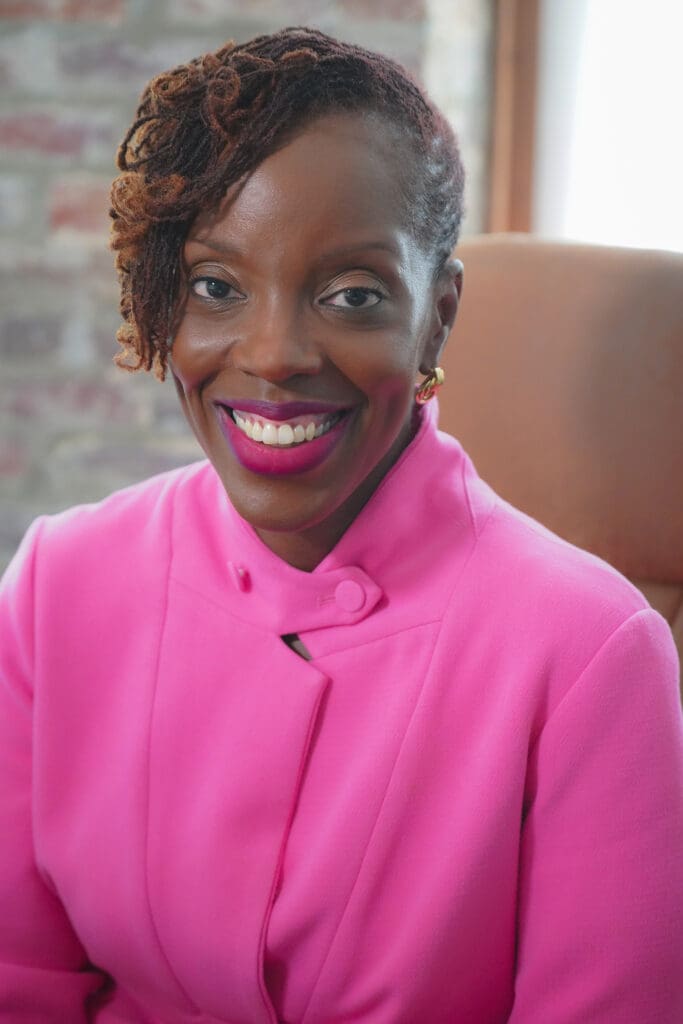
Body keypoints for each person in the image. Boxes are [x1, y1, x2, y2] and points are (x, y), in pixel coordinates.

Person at [1, 26, 682, 1024]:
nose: (273, 354)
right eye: (215, 286)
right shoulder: (60, 583)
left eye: (353, 294)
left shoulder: (587, 653)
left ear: (437, 315)